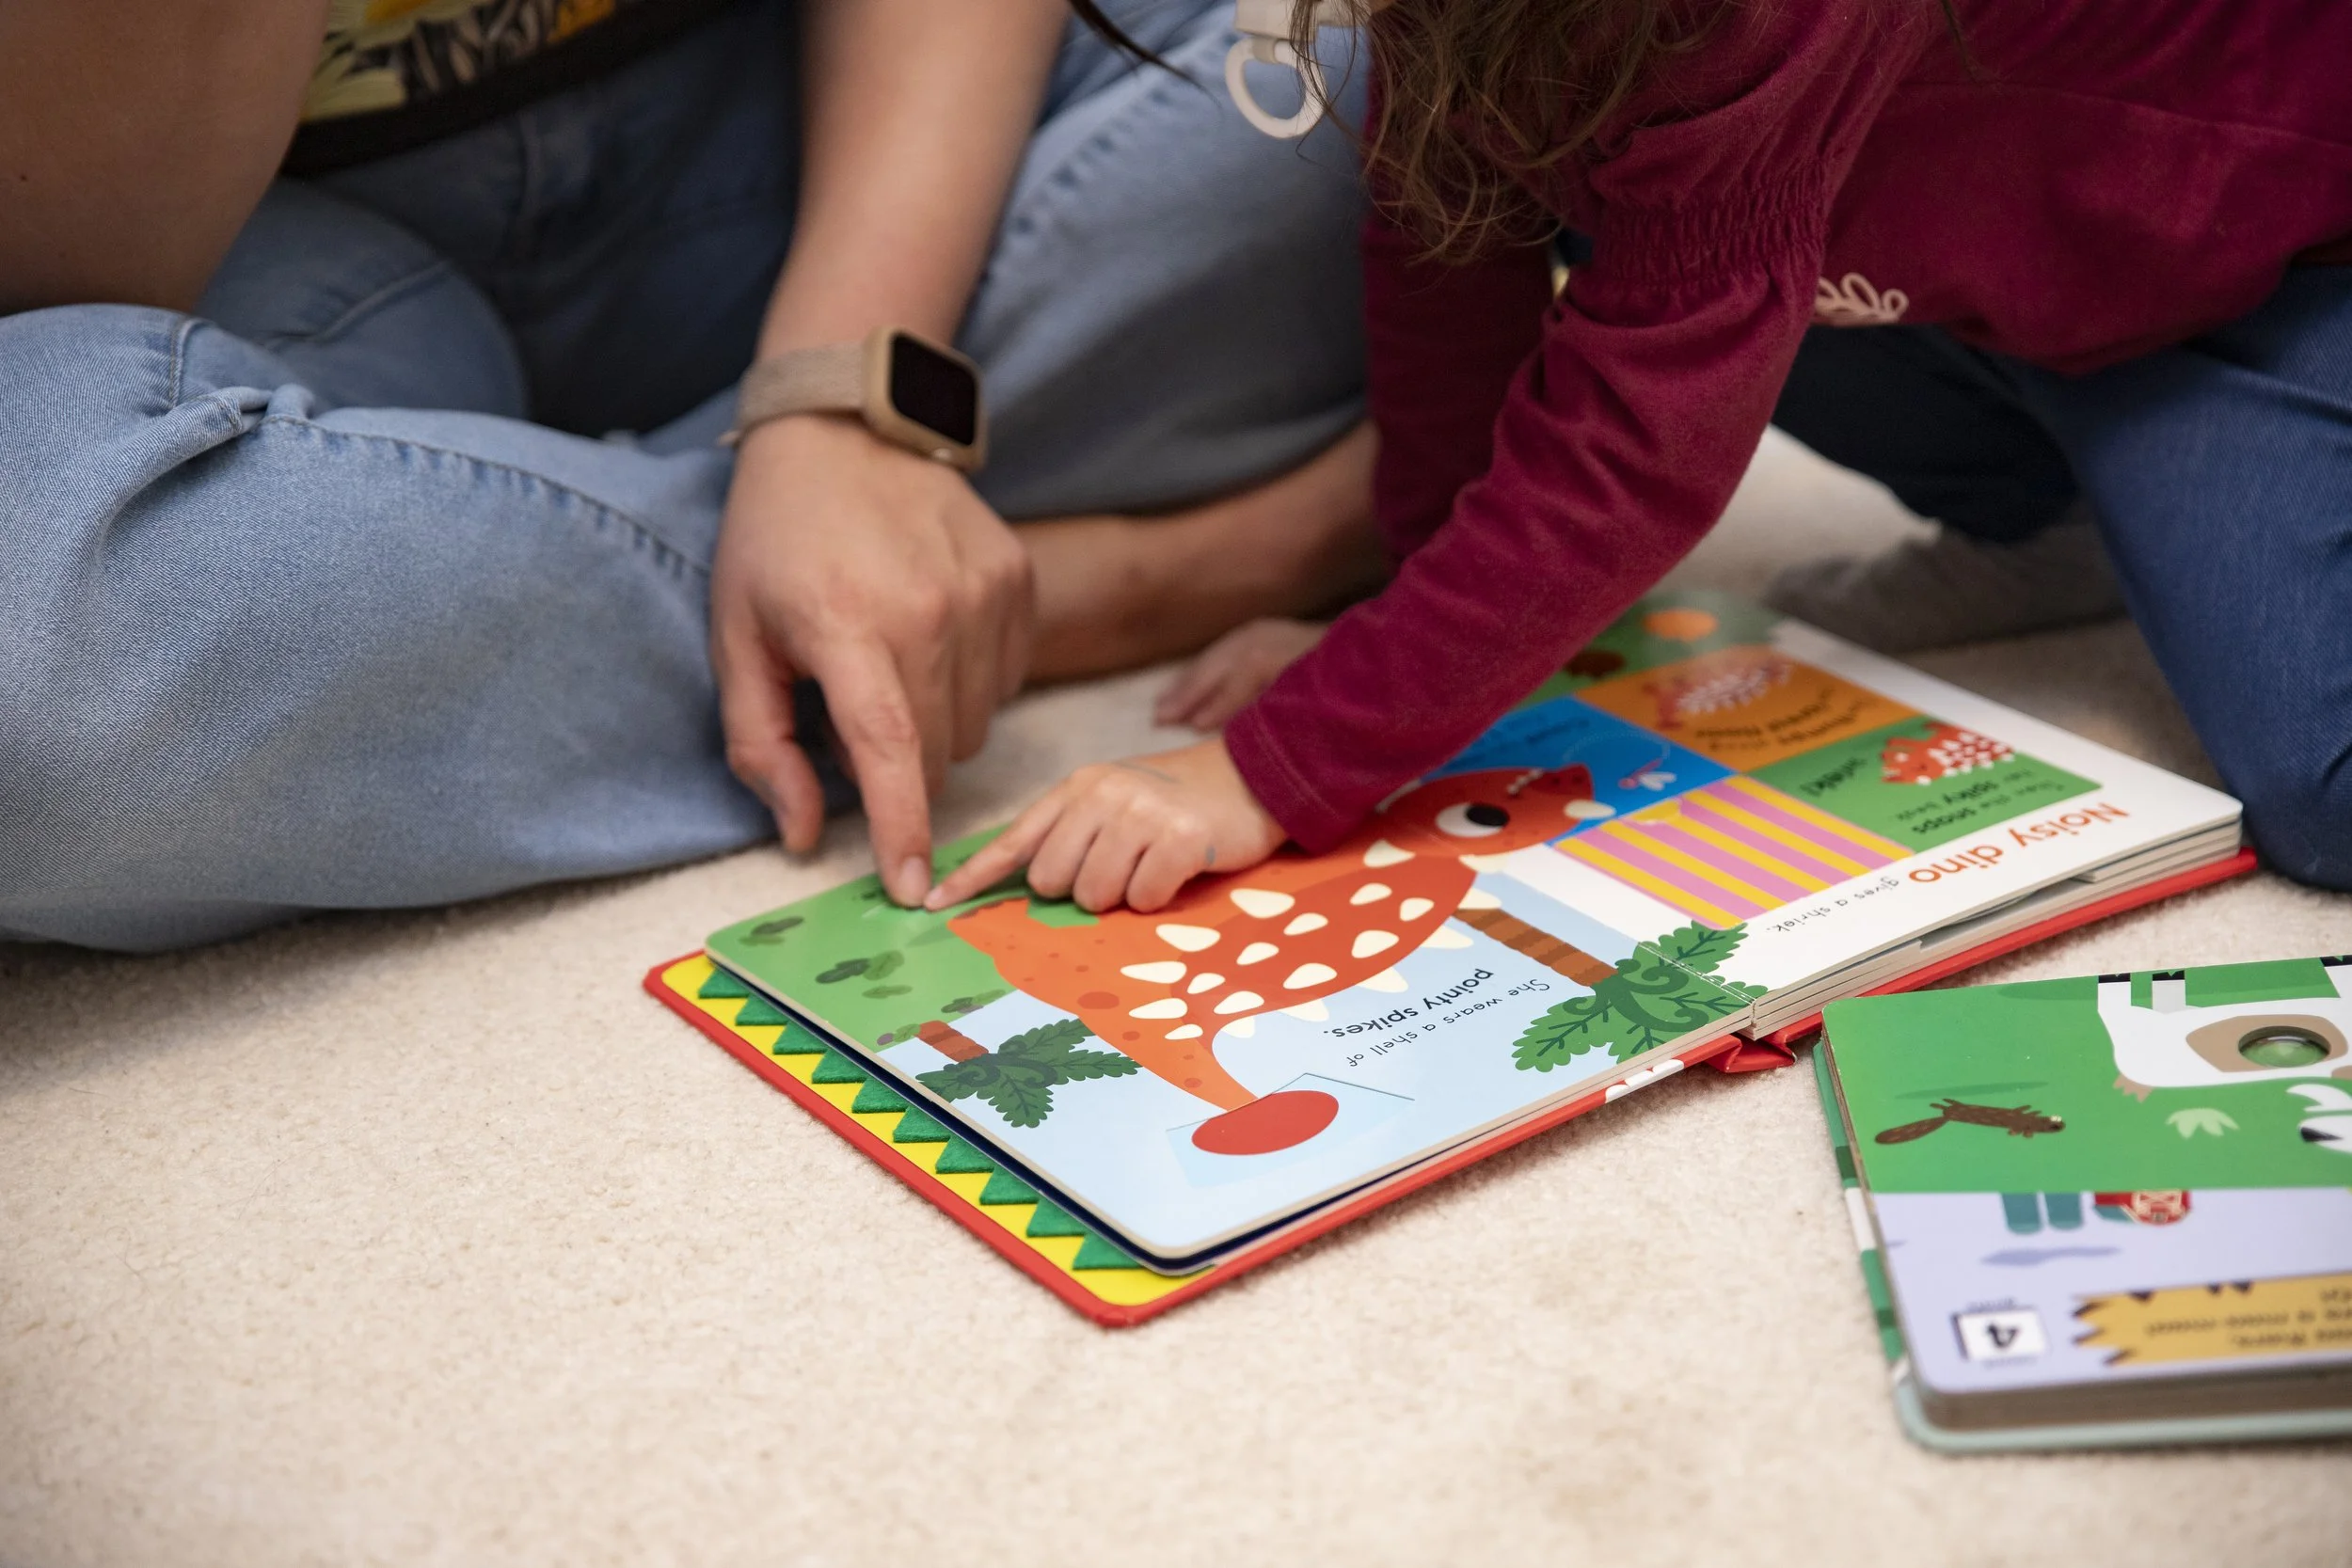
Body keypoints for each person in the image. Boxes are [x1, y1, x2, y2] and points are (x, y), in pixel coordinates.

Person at [0, 0, 1378, 951]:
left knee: (1369, 78)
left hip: (828, 120)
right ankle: (1081, 588)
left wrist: (844, 399)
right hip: (279, 235)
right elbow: (82, 274)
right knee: (36, 654)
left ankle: (483, 578)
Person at [931, 0, 2352, 915]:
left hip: (2264, 272)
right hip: (1956, 257)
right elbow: (1446, 247)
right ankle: (2061, 516)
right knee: (1652, 250)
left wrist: (1276, 769)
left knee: (2323, 795)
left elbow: (1636, 446)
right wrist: (1398, 621)